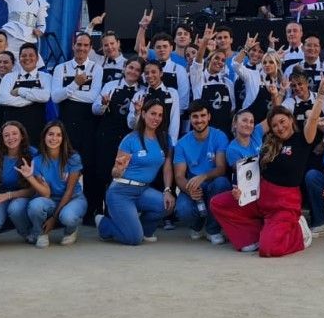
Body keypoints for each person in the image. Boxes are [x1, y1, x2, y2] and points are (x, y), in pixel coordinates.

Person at [210, 79, 324, 256]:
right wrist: (242, 191)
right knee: (218, 203)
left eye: (282, 121)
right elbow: (252, 173)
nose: (279, 127)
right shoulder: (268, 144)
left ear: (290, 119)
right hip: (259, 198)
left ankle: (299, 232)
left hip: (283, 205)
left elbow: (312, 119)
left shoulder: (302, 139)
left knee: (269, 249)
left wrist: (320, 95)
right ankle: (253, 236)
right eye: (274, 125)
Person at [98, 100, 175, 246]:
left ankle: (143, 230)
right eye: (153, 114)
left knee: (168, 205)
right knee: (133, 239)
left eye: (160, 115)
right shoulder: (130, 139)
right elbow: (115, 172)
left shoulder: (165, 138)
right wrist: (119, 169)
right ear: (144, 114)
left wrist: (167, 190)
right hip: (121, 192)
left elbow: (167, 167)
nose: (156, 118)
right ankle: (104, 224)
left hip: (143, 190)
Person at [91, 58, 143, 219]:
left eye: (137, 70)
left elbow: (134, 124)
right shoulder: (111, 85)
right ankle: (97, 210)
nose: (133, 72)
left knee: (121, 174)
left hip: (127, 138)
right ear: (125, 67)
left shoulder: (142, 92)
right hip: (106, 135)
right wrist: (103, 104)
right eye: (131, 67)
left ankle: (114, 212)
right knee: (102, 173)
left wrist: (137, 112)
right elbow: (95, 110)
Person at [21, 121, 87, 248]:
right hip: (50, 199)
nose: (54, 138)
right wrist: (30, 177)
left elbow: (69, 191)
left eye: (58, 135)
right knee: (35, 206)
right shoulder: (37, 161)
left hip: (72, 198)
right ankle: (41, 233)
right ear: (44, 136)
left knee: (68, 217)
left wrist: (54, 218)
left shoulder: (73, 158)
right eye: (50, 134)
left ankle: (70, 231)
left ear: (63, 138)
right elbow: (44, 193)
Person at [173, 100, 232, 244]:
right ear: (190, 118)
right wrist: (189, 189)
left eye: (203, 115)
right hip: (193, 184)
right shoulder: (182, 143)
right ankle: (197, 226)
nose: (199, 120)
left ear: (209, 116)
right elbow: (179, 176)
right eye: (195, 116)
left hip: (212, 182)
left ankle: (213, 230)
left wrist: (204, 176)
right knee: (182, 209)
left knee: (222, 183)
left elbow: (221, 168)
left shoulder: (219, 136)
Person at [51, 32, 102, 193]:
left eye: (86, 45)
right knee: (64, 166)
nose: (82, 48)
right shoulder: (61, 68)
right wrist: (74, 84)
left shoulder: (97, 68)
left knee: (89, 168)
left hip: (88, 125)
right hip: (65, 124)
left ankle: (90, 205)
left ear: (90, 48)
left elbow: (92, 97)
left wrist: (67, 92)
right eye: (79, 44)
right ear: (73, 46)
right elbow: (55, 97)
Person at [0, 120, 38, 244]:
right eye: (6, 135)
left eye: (14, 133)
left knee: (15, 208)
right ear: (2, 139)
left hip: (24, 195)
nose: (11, 138)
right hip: (3, 195)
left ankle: (26, 233)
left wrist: (9, 195)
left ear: (22, 136)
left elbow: (34, 189)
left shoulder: (33, 153)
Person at [0, 43, 51, 145]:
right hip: (11, 130)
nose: (27, 58)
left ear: (37, 58)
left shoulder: (46, 77)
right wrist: (32, 99)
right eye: (24, 55)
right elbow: (3, 99)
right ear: (19, 58)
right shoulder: (9, 77)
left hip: (36, 128)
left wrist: (19, 91)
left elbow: (45, 97)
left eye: (31, 55)